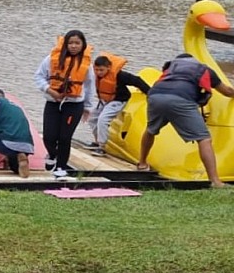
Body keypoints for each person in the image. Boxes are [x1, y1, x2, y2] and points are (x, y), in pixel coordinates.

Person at [138, 53, 234, 187]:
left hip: (155, 95)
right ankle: (215, 181)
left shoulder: (171, 68)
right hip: (181, 99)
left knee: (151, 130)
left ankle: (142, 163)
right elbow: (228, 91)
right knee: (204, 139)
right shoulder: (203, 69)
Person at [34, 30, 96, 179]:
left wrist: (88, 108)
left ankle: (61, 167)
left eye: (77, 43)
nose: (74, 46)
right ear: (65, 44)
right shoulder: (51, 59)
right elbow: (39, 77)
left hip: (74, 105)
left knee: (64, 137)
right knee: (49, 136)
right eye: (71, 43)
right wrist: (50, 91)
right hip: (53, 102)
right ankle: (52, 154)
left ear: (83, 45)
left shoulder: (86, 65)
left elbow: (89, 86)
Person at [90, 54, 151, 155]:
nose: (98, 73)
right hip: (105, 100)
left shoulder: (120, 75)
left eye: (101, 70)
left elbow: (137, 80)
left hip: (119, 100)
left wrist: (149, 93)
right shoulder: (95, 75)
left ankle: (102, 146)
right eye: (96, 70)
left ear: (108, 68)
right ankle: (97, 141)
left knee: (103, 119)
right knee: (92, 118)